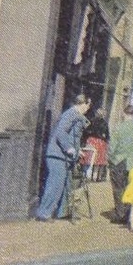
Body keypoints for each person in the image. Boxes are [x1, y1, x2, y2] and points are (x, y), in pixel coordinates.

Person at [35, 92, 91, 220]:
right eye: (88, 106)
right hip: (58, 156)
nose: (88, 109)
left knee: (65, 184)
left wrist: (77, 150)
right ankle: (43, 213)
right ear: (83, 104)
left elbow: (71, 136)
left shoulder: (75, 115)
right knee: (55, 184)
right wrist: (69, 148)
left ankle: (62, 213)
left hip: (63, 156)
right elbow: (61, 132)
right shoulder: (71, 114)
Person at [108, 105, 133, 219]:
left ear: (124, 114)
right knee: (131, 188)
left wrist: (110, 160)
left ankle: (120, 214)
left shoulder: (118, 128)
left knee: (118, 188)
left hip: (118, 162)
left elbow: (112, 148)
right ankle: (130, 214)